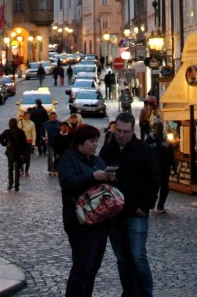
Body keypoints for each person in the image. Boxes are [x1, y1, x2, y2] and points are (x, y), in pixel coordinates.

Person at [100, 112, 159, 297]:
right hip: (114, 214)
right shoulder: (107, 151)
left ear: (133, 130)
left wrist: (145, 206)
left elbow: (154, 178)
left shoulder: (143, 150)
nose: (121, 135)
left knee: (137, 257)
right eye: (118, 131)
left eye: (125, 131)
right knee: (122, 259)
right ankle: (129, 293)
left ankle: (145, 294)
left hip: (136, 213)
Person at [58, 124, 115, 297]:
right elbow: (67, 183)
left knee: (93, 267)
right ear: (80, 143)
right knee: (82, 267)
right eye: (91, 141)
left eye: (96, 141)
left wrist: (110, 177)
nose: (95, 145)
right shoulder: (68, 159)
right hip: (79, 221)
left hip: (99, 220)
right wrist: (92, 176)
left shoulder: (97, 160)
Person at [145, 120, 175, 213]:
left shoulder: (166, 139)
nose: (160, 129)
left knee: (165, 187)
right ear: (154, 128)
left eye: (161, 127)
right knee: (154, 186)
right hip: (154, 167)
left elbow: (171, 152)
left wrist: (173, 165)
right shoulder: (149, 140)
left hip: (165, 166)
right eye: (158, 127)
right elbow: (144, 153)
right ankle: (151, 203)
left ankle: (161, 205)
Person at [0, 117, 28, 191]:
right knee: (17, 169)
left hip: (10, 152)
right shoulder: (21, 132)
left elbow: (0, 137)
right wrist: (24, 153)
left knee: (10, 168)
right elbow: (24, 143)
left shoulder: (7, 131)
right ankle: (16, 185)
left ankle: (10, 184)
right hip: (18, 152)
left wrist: (5, 143)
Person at [42, 109, 63, 176]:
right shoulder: (46, 124)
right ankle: (50, 169)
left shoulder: (60, 123)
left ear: (56, 117)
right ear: (49, 117)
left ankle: (56, 169)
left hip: (58, 143)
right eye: (52, 117)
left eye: (54, 117)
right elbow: (42, 133)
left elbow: (63, 132)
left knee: (57, 157)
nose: (53, 118)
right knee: (50, 156)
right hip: (49, 142)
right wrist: (44, 138)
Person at [19, 108, 36, 176]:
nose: (27, 116)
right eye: (26, 115)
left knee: (28, 157)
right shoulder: (20, 123)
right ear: (24, 116)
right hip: (21, 142)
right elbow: (17, 132)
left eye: (29, 115)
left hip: (29, 142)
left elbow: (34, 133)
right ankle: (21, 169)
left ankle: (26, 171)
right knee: (21, 156)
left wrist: (33, 142)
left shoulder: (32, 123)